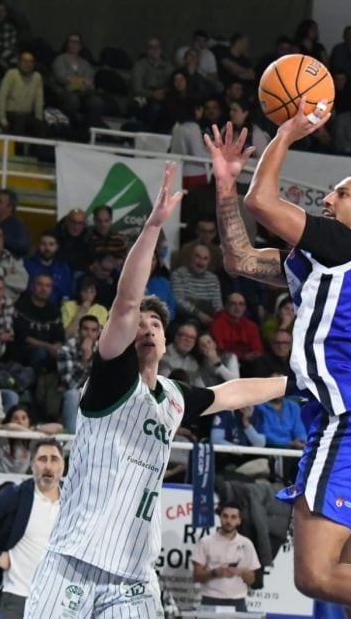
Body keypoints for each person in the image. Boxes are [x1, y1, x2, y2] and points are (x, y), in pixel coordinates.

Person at [24, 164, 289, 617]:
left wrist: (300, 380)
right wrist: (151, 229)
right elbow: (127, 302)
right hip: (74, 560)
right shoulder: (110, 380)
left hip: (134, 572)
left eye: (155, 325)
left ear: (165, 339)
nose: (146, 329)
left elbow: (233, 393)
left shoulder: (174, 395)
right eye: (138, 326)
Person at [205, 117, 351, 619]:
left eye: (342, 193)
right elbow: (240, 259)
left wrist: (283, 135)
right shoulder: (332, 266)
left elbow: (262, 203)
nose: (328, 200)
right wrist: (225, 184)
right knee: (346, 581)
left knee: (314, 574)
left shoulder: (346, 244)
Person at [0, 440, 65, 617]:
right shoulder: (17, 495)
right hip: (18, 596)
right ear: (32, 465)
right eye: (42, 459)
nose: (48, 466)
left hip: (57, 599)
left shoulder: (72, 502)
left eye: (54, 459)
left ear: (63, 465)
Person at [192, 502, 262, 611]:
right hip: (210, 599)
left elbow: (252, 579)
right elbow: (196, 576)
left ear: (239, 521)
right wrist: (214, 572)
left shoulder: (246, 544)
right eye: (225, 516)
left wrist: (241, 571)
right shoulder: (206, 542)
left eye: (233, 517)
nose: (228, 521)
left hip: (238, 601)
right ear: (219, 517)